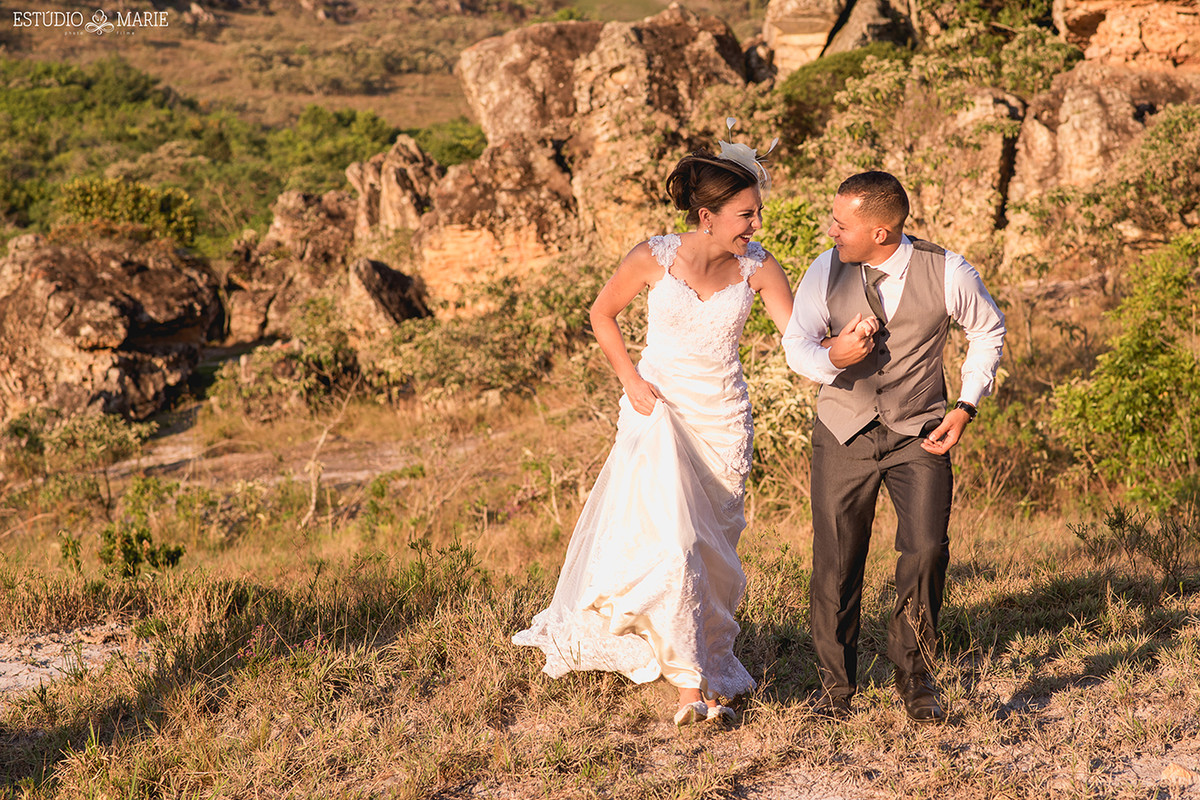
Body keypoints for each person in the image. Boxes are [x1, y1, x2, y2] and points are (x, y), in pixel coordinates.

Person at [513, 134, 794, 726]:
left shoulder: (760, 267)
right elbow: (601, 313)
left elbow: (799, 342)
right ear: (706, 217)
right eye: (746, 214)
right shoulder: (653, 256)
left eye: (757, 212)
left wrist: (842, 347)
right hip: (657, 408)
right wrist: (630, 380)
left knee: (712, 550)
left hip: (721, 418)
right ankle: (690, 685)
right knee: (673, 543)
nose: (756, 223)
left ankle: (703, 656)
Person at [781, 171, 1005, 723]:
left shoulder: (948, 270)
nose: (831, 229)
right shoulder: (823, 269)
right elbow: (795, 345)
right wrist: (835, 357)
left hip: (921, 431)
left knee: (927, 549)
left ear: (881, 231)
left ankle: (915, 674)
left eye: (842, 222)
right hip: (842, 430)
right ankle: (836, 688)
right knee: (837, 560)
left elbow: (988, 329)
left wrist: (966, 404)